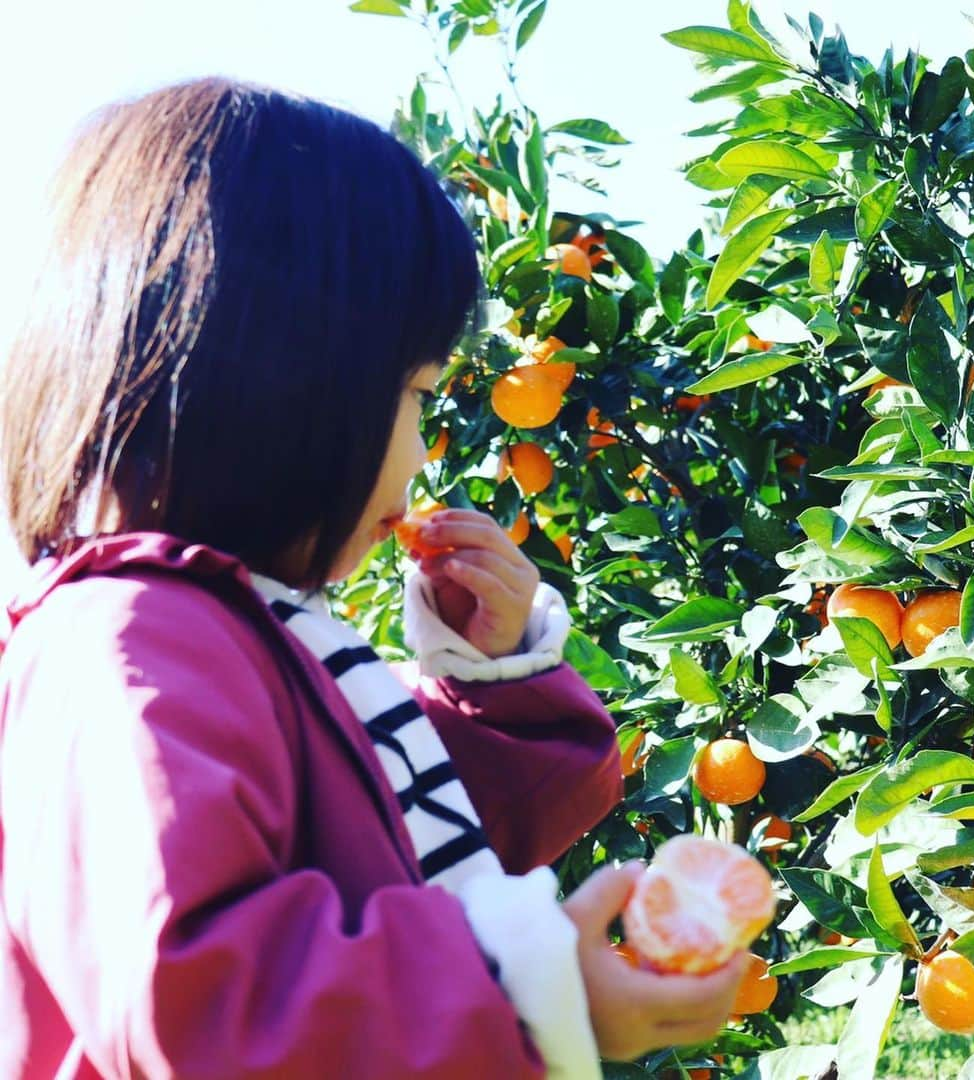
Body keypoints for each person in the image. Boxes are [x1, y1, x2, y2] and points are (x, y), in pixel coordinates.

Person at [0, 77, 747, 1078]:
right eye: (414, 394)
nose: (419, 453)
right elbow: (207, 999)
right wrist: (528, 992)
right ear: (277, 382)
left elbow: (428, 848)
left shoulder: (246, 637)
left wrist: (488, 677)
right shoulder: (128, 642)